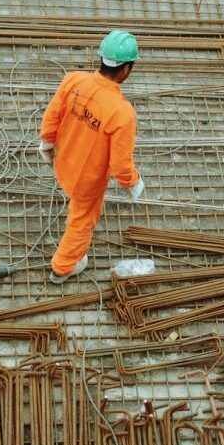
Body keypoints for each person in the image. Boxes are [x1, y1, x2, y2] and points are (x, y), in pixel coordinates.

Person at [38, 30, 144, 284]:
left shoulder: (73, 80)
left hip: (63, 162)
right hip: (86, 180)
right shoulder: (122, 113)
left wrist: (47, 142)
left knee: (76, 207)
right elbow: (120, 164)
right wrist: (132, 182)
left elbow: (52, 115)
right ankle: (63, 267)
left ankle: (66, 261)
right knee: (82, 221)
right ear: (126, 70)